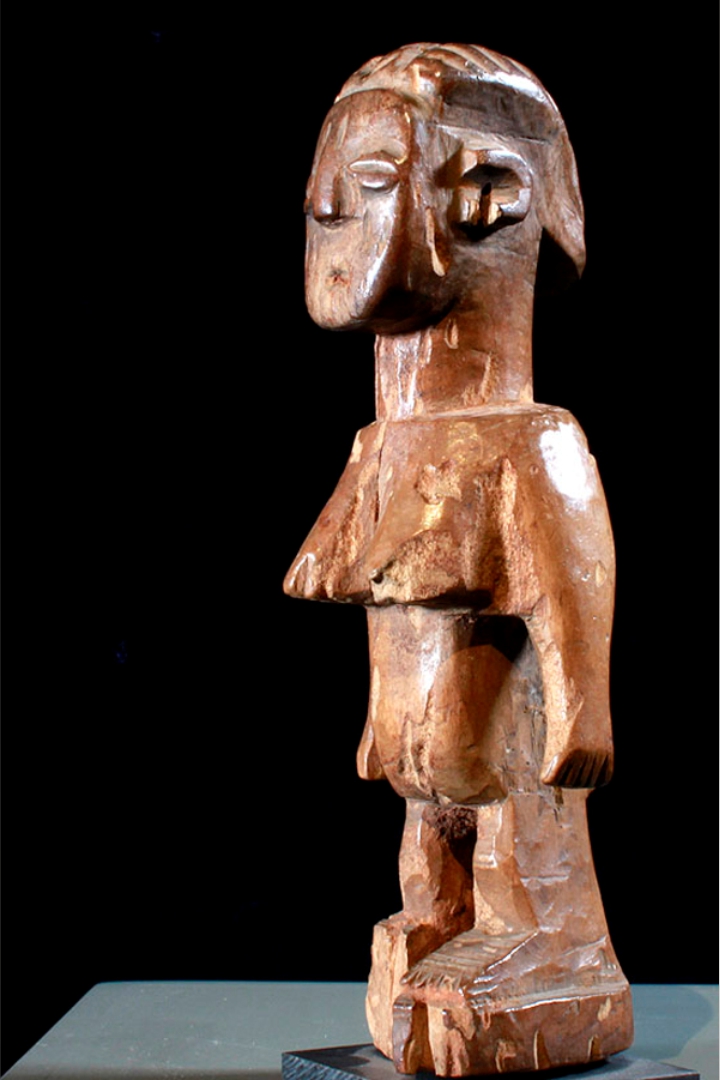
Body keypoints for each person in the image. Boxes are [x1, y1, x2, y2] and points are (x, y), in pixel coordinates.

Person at [286, 43, 632, 1076]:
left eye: (371, 180)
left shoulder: (534, 442)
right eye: (321, 184)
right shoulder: (380, 443)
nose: (324, 207)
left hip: (507, 746)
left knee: (517, 829)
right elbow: (387, 601)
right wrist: (378, 712)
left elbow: (571, 586)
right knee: (425, 834)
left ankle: (548, 945)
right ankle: (439, 917)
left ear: (490, 196)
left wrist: (583, 709)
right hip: (419, 733)